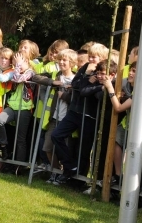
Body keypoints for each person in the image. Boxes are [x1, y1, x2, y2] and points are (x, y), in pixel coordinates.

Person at [50, 43, 110, 185]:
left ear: (102, 58)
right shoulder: (85, 68)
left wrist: (89, 85)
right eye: (89, 56)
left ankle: (79, 181)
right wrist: (88, 79)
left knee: (84, 149)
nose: (91, 59)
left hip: (90, 115)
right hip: (74, 110)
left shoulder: (104, 70)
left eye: (94, 57)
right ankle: (70, 166)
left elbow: (88, 90)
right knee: (56, 135)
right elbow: (76, 84)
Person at [32, 49, 77, 182]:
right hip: (54, 118)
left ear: (72, 63)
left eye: (65, 60)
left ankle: (65, 174)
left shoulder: (75, 79)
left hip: (68, 120)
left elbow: (76, 100)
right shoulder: (55, 74)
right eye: (60, 59)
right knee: (47, 147)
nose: (61, 62)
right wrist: (53, 82)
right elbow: (35, 77)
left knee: (65, 148)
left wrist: (65, 96)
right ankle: (56, 172)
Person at [0, 51, 35, 168]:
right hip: (12, 106)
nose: (15, 64)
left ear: (26, 61)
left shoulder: (30, 72)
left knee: (20, 138)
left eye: (18, 61)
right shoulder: (15, 70)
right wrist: (16, 66)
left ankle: (19, 167)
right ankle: (3, 145)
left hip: (25, 109)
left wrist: (17, 66)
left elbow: (17, 79)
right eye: (14, 61)